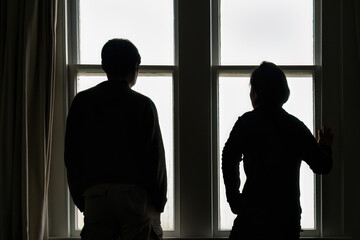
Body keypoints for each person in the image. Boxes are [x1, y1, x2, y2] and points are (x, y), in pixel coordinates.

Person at [64, 38, 167, 240]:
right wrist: (158, 202)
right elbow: (155, 159)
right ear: (135, 68)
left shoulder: (82, 102)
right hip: (134, 195)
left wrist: (81, 198)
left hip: (95, 193)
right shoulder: (143, 105)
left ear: (104, 65)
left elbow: (72, 156)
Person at [221, 61, 333, 239]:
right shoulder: (294, 127)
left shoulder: (246, 123)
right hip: (285, 222)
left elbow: (228, 157)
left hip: (252, 218)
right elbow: (322, 165)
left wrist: (234, 199)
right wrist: (325, 145)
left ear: (256, 92)